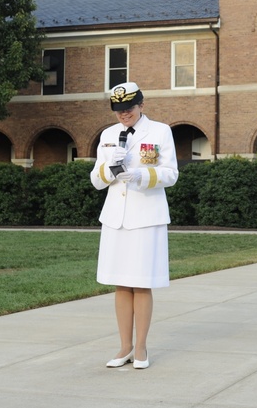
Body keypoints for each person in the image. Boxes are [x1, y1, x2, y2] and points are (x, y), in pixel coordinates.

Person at [90, 82, 178, 370]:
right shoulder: (108, 135)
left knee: (141, 283)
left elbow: (170, 174)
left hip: (146, 216)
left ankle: (141, 348)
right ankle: (124, 347)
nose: (123, 115)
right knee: (121, 283)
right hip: (116, 217)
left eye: (128, 109)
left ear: (141, 105)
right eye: (118, 111)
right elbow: (96, 181)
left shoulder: (160, 131)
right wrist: (109, 168)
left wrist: (141, 175)